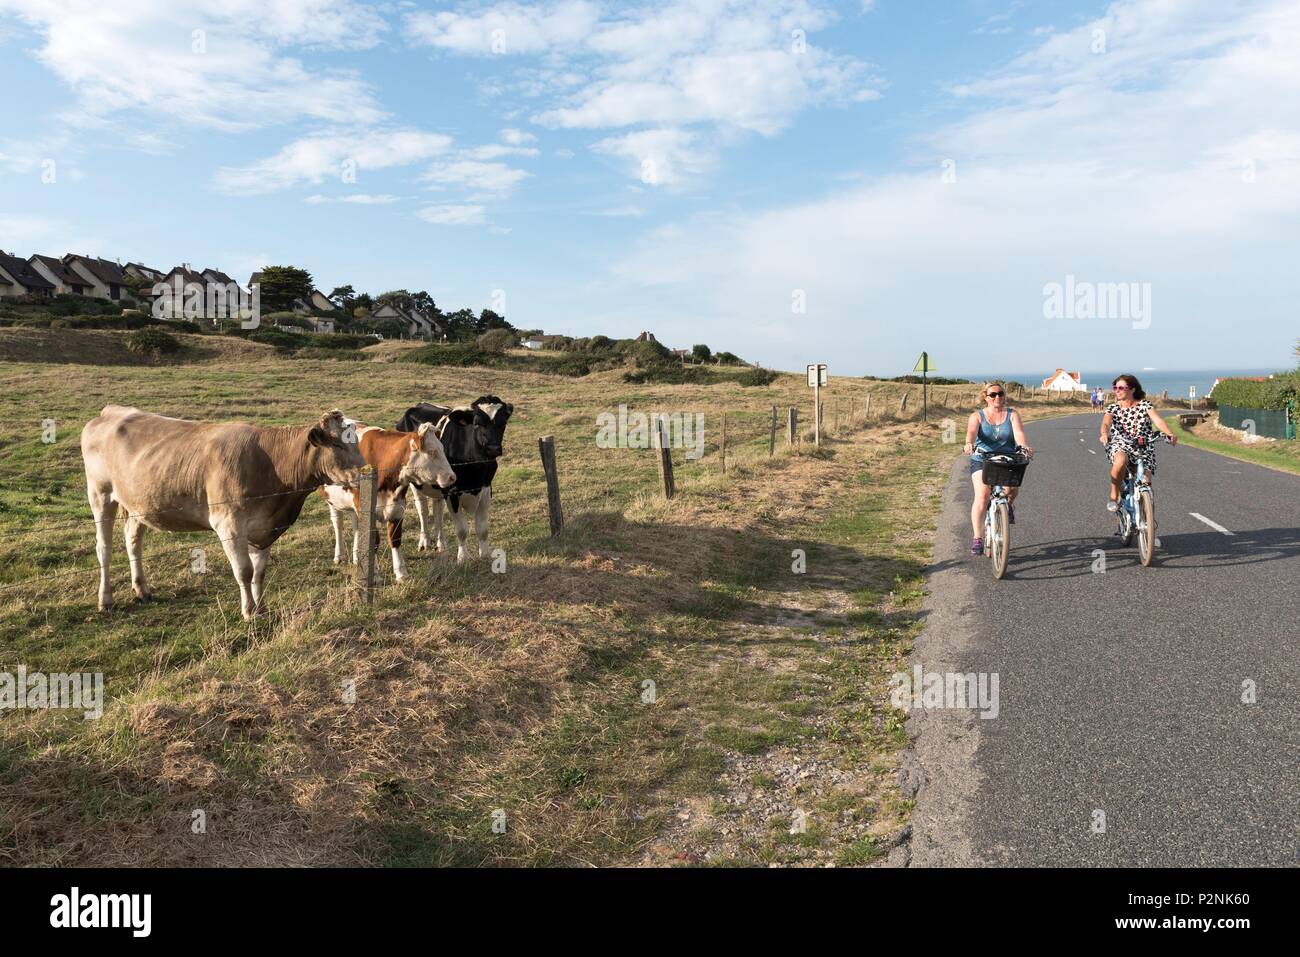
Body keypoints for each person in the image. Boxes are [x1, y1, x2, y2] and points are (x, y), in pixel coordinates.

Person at [963, 381, 1033, 556]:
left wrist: (1024, 446)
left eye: (1000, 394)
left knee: (1012, 489)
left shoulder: (1012, 414)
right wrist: (969, 444)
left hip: (1007, 458)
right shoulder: (977, 416)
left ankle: (1008, 506)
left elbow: (1018, 434)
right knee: (983, 495)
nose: (997, 397)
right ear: (985, 397)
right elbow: (971, 432)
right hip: (982, 459)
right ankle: (978, 537)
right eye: (992, 394)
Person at [1100, 373, 1177, 511]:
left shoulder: (1144, 405)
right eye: (1115, 387)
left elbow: (1157, 420)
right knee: (1121, 460)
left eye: (1121, 388)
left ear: (1132, 389)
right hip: (1121, 443)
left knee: (1146, 481)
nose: (1117, 390)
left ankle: (1146, 518)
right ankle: (1114, 494)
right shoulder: (1113, 408)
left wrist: (1169, 433)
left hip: (1143, 446)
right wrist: (1104, 434)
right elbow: (1106, 422)